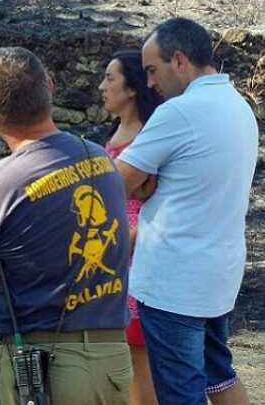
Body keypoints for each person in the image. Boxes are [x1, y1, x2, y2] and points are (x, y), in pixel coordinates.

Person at [0, 47, 131, 405]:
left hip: (46, 366)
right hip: (113, 360)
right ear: (50, 86)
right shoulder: (101, 159)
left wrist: (2, 270)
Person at [115, 18, 258, 405]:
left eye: (151, 70)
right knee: (218, 376)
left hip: (173, 284)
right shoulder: (239, 106)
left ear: (178, 60)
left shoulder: (179, 112)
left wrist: (145, 185)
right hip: (218, 275)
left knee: (181, 393)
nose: (149, 83)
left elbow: (115, 181)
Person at [98, 51, 163, 405]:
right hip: (112, 255)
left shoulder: (149, 137)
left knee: (140, 360)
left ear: (133, 88)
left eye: (110, 78)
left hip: (136, 256)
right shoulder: (116, 131)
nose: (102, 86)